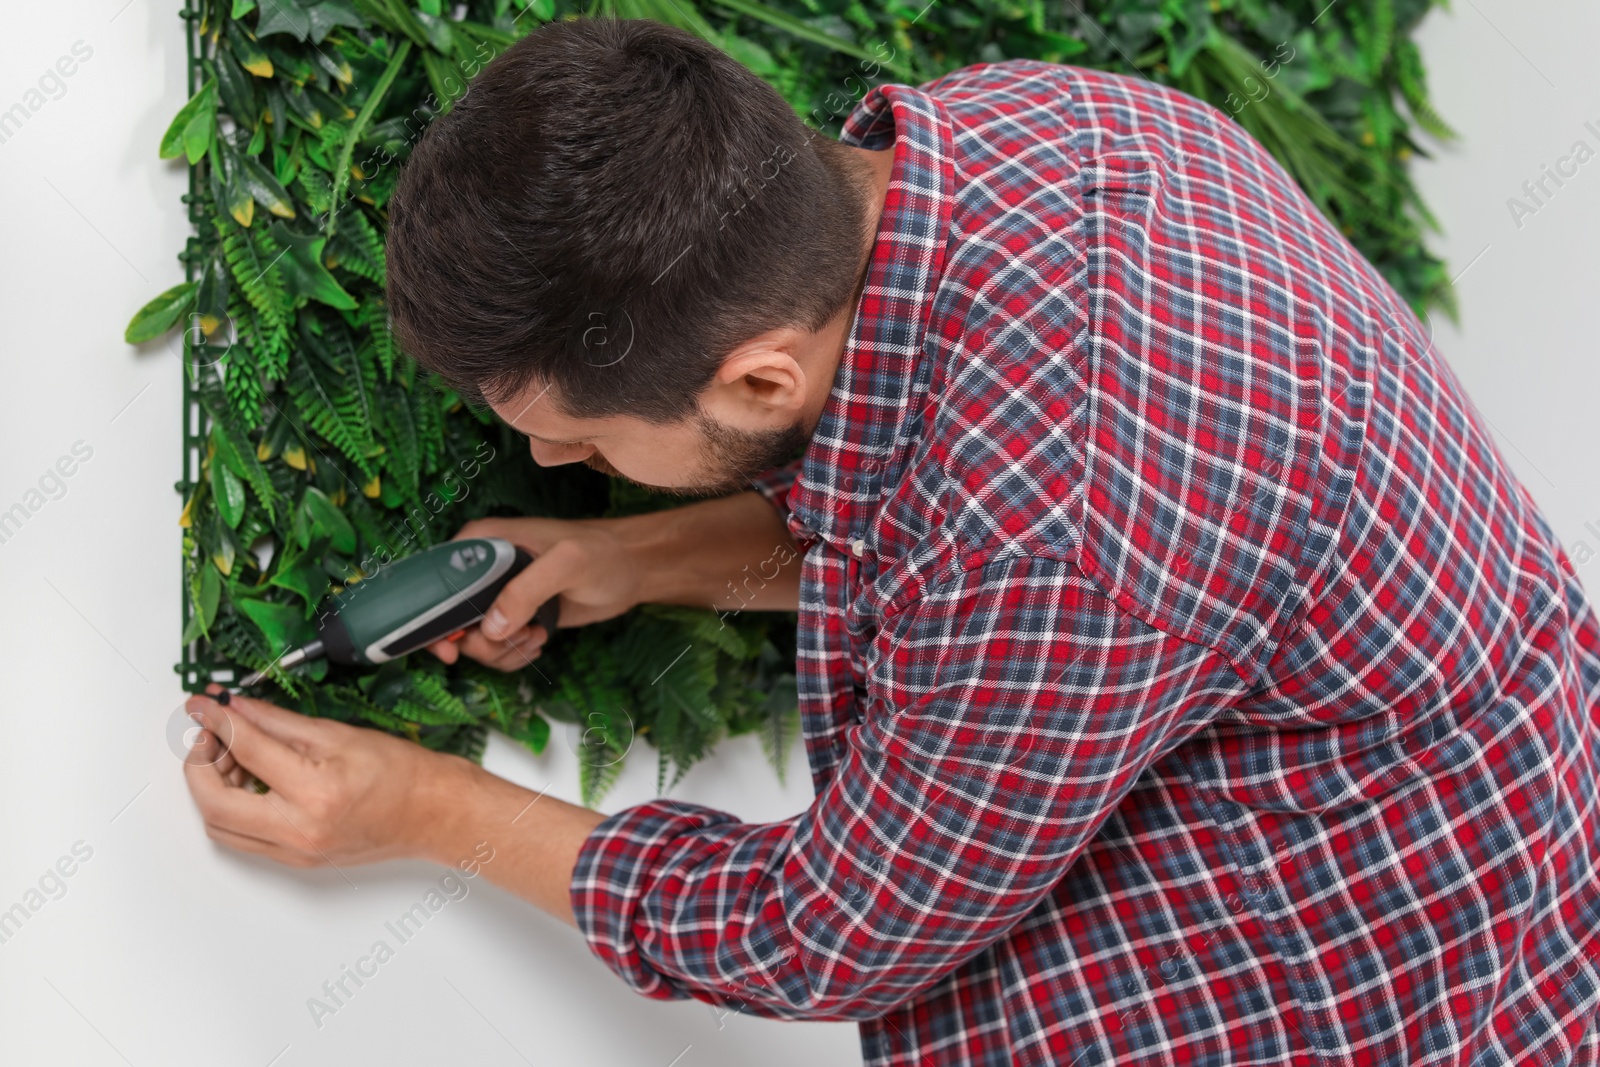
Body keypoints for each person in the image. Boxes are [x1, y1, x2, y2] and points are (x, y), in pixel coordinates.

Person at [183, 16, 1600, 1066]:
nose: (553, 463)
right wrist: (627, 562)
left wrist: (424, 812)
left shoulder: (1053, 545)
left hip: (1384, 978)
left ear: (757, 380)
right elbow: (921, 512)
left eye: (583, 439)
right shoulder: (1031, 126)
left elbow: (832, 931)